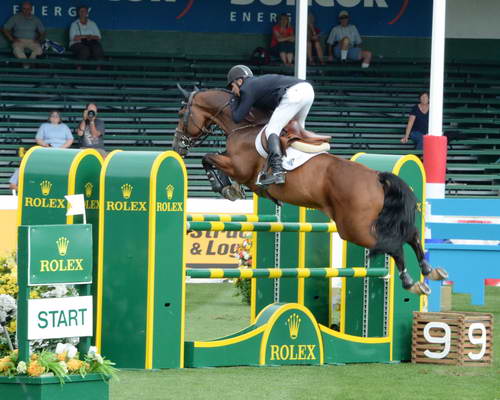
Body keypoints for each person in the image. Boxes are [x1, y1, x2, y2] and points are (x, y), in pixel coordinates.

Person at [226, 65, 315, 185]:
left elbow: (237, 117)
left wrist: (233, 99)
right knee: (296, 131)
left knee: (272, 130)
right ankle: (303, 164)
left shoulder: (246, 88)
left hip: (294, 93)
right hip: (307, 90)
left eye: (232, 86)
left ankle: (278, 171)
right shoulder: (256, 85)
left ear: (240, 81)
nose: (233, 91)